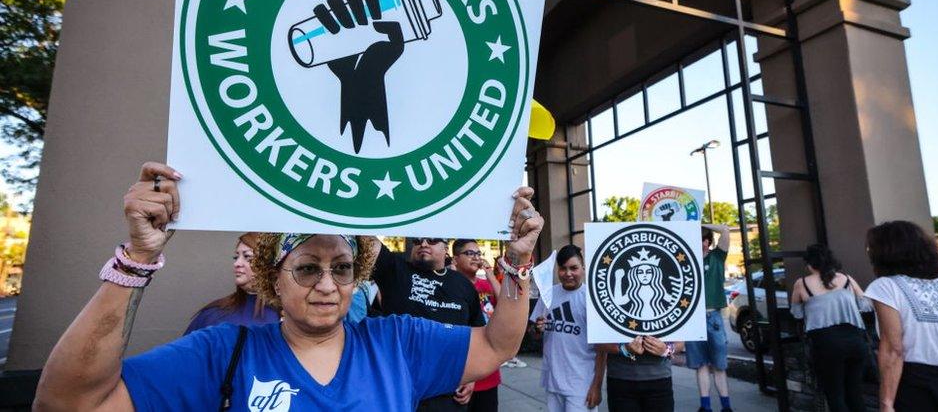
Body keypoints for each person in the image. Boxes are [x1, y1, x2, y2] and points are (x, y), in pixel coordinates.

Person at [33, 161, 545, 411]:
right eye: (306, 268)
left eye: (342, 268)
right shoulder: (223, 351)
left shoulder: (397, 343)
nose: (327, 284)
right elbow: (66, 403)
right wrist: (138, 258)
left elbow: (496, 344)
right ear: (272, 277)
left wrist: (517, 262)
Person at [863, 220, 938, 412]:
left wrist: (886, 403)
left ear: (885, 252)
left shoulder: (885, 286)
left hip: (920, 387)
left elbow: (893, 349)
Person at [370, 234, 488, 410]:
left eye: (432, 240)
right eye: (417, 240)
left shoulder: (462, 284)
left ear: (445, 248)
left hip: (448, 393)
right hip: (398, 389)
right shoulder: (395, 269)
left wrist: (472, 377)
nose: (423, 243)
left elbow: (478, 335)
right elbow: (366, 241)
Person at [790, 244, 872, 412]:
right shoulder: (846, 279)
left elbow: (796, 313)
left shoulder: (802, 283)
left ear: (809, 264)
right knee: (855, 394)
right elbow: (866, 304)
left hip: (826, 344)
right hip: (856, 341)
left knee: (835, 396)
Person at [530, 244, 606, 412]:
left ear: (583, 268)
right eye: (563, 268)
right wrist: (537, 329)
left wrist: (597, 386)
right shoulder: (548, 293)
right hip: (553, 380)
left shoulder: (593, 298)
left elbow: (602, 349)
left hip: (581, 384)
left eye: (574, 268)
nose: (568, 274)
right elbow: (534, 334)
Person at [183, 232, 280, 334]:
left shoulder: (287, 316)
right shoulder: (213, 315)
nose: (237, 263)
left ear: (268, 264)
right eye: (236, 257)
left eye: (247, 257)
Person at [685, 224, 733, 412]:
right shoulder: (687, 261)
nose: (698, 243)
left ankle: (725, 406)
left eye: (701, 239)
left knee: (719, 365)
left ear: (707, 242)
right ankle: (705, 406)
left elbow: (726, 230)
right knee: (701, 364)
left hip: (713, 316)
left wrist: (701, 223)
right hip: (693, 317)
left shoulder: (717, 257)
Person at [453, 239, 502, 412]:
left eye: (478, 253)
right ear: (455, 259)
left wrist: (489, 273)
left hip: (488, 370)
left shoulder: (485, 285)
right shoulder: (451, 287)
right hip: (461, 372)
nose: (476, 257)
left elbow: (505, 302)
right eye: (469, 253)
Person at [597, 336, 683, 411]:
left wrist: (666, 350)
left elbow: (680, 342)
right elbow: (599, 343)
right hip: (621, 380)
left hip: (659, 381)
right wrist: (624, 349)